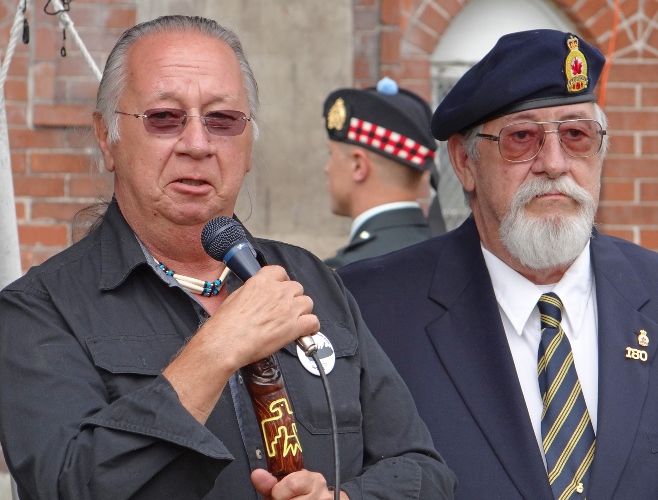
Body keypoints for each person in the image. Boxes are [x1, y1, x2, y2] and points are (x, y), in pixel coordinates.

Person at [0, 16, 457, 500]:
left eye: (222, 120)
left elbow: (424, 472)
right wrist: (216, 349)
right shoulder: (39, 311)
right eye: (164, 117)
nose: (197, 144)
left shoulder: (309, 280)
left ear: (248, 145)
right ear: (106, 137)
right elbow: (70, 486)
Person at [339, 29, 658, 500]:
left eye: (576, 135)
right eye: (522, 138)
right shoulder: (367, 309)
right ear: (465, 163)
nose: (554, 163)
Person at [322, 78, 445, 269]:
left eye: (331, 155)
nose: (327, 168)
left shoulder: (348, 270)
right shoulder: (449, 254)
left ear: (358, 166)